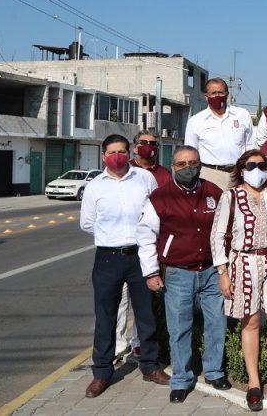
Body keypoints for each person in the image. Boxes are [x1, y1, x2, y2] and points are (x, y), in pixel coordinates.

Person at [135, 145, 231, 403]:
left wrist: (227, 265)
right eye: (182, 164)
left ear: (199, 164)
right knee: (179, 328)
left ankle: (214, 371)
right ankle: (182, 379)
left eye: (193, 162)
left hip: (212, 270)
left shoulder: (213, 192)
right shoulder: (160, 197)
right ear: (173, 167)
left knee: (216, 323)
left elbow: (227, 228)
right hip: (178, 273)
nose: (188, 168)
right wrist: (151, 272)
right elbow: (146, 237)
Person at [79, 134, 169, 398]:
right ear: (104, 156)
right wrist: (112, 234)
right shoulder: (95, 186)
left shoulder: (144, 179)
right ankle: (102, 373)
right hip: (108, 257)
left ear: (129, 153)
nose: (117, 156)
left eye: (122, 151)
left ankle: (150, 366)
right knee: (106, 315)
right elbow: (87, 222)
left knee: (146, 313)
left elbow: (157, 212)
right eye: (112, 152)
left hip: (141, 255)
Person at [211, 150, 267, 412]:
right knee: (252, 322)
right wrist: (223, 272)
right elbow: (217, 235)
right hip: (244, 262)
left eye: (262, 165)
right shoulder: (231, 197)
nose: (257, 169)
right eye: (251, 165)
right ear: (241, 168)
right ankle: (253, 383)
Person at [116, 130, 173, 363]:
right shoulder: (123, 170)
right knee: (119, 299)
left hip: (152, 246)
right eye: (144, 143)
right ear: (135, 146)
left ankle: (140, 343)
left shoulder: (163, 174)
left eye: (153, 144)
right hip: (122, 244)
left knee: (146, 299)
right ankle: (118, 345)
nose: (149, 147)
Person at [185, 77, 256, 189]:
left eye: (220, 92)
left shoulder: (242, 115)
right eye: (213, 93)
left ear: (227, 94)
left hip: (238, 174)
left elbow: (251, 146)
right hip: (210, 175)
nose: (217, 96)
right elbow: (191, 152)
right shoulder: (196, 121)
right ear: (206, 96)